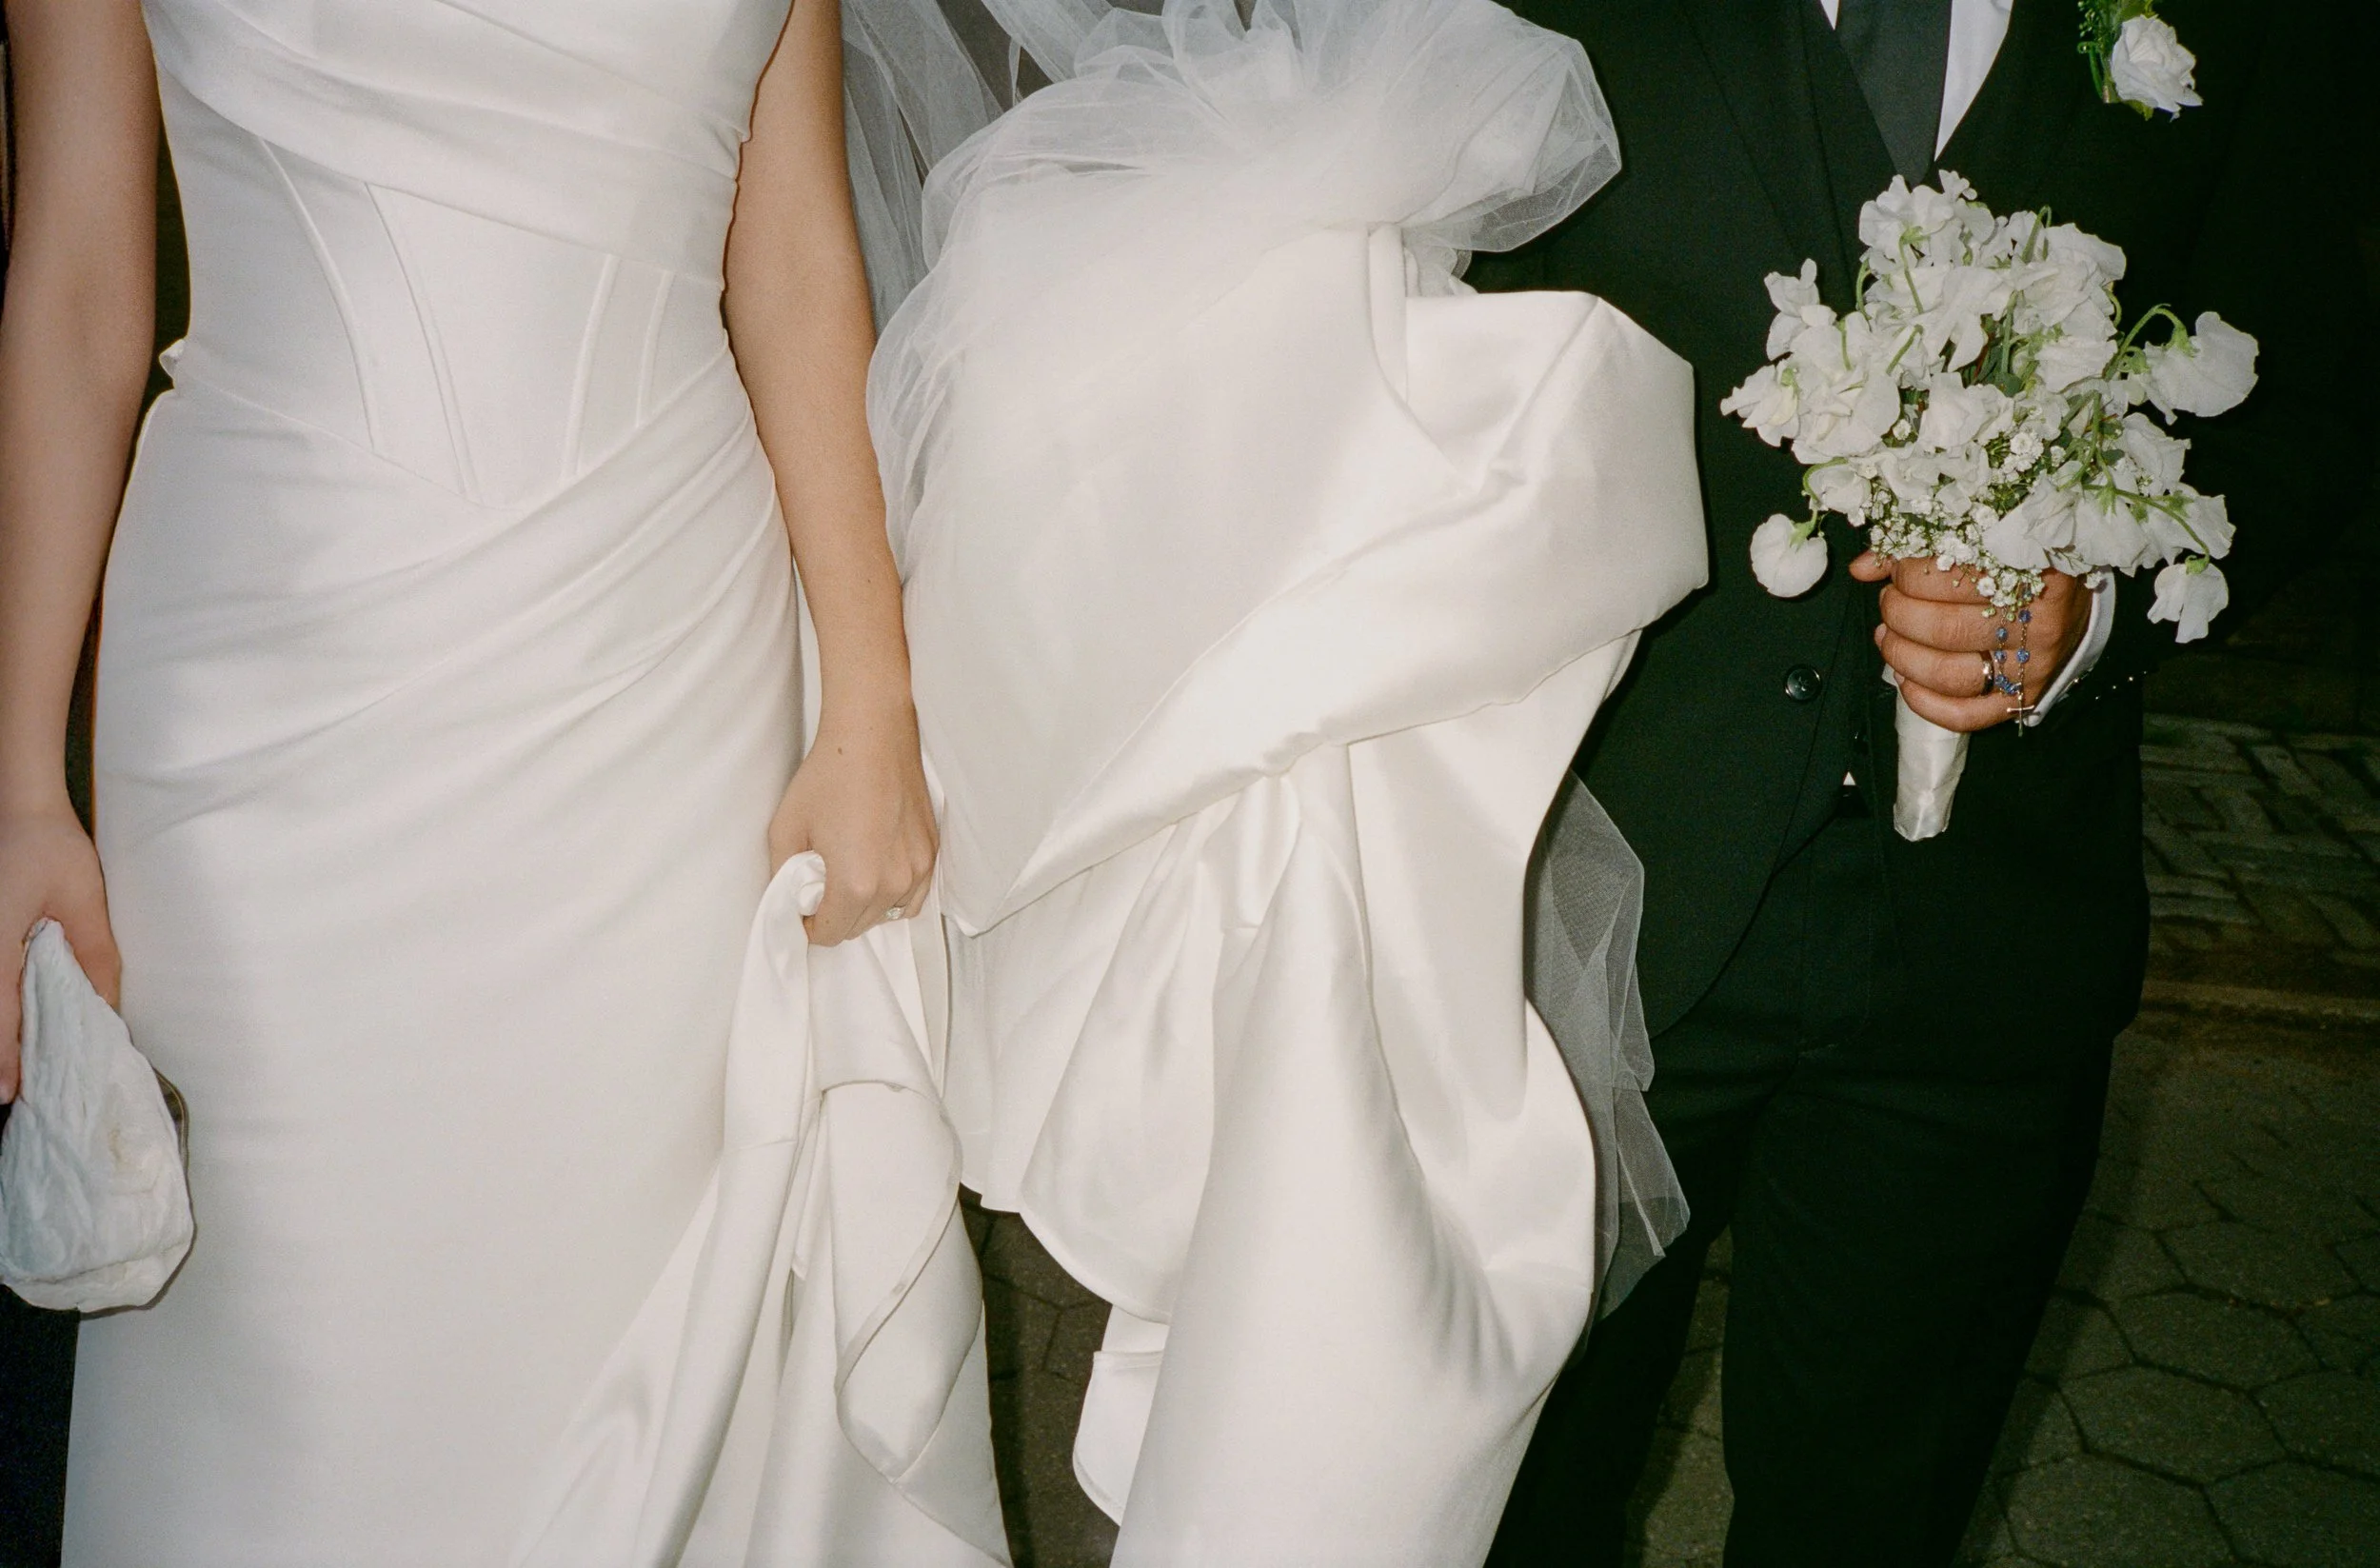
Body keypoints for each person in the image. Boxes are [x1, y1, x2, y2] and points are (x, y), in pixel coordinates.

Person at [0, 0, 935, 1558]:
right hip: (277, 687)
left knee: (632, 1320)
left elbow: (788, 258)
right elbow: (83, 276)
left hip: (666, 675)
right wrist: (23, 771)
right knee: (295, 1344)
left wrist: (872, 693)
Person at [1472, 0, 2370, 1561]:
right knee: (1511, 1506)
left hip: (1983, 958)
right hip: (1581, 911)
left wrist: (2095, 602)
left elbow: (2314, 401)